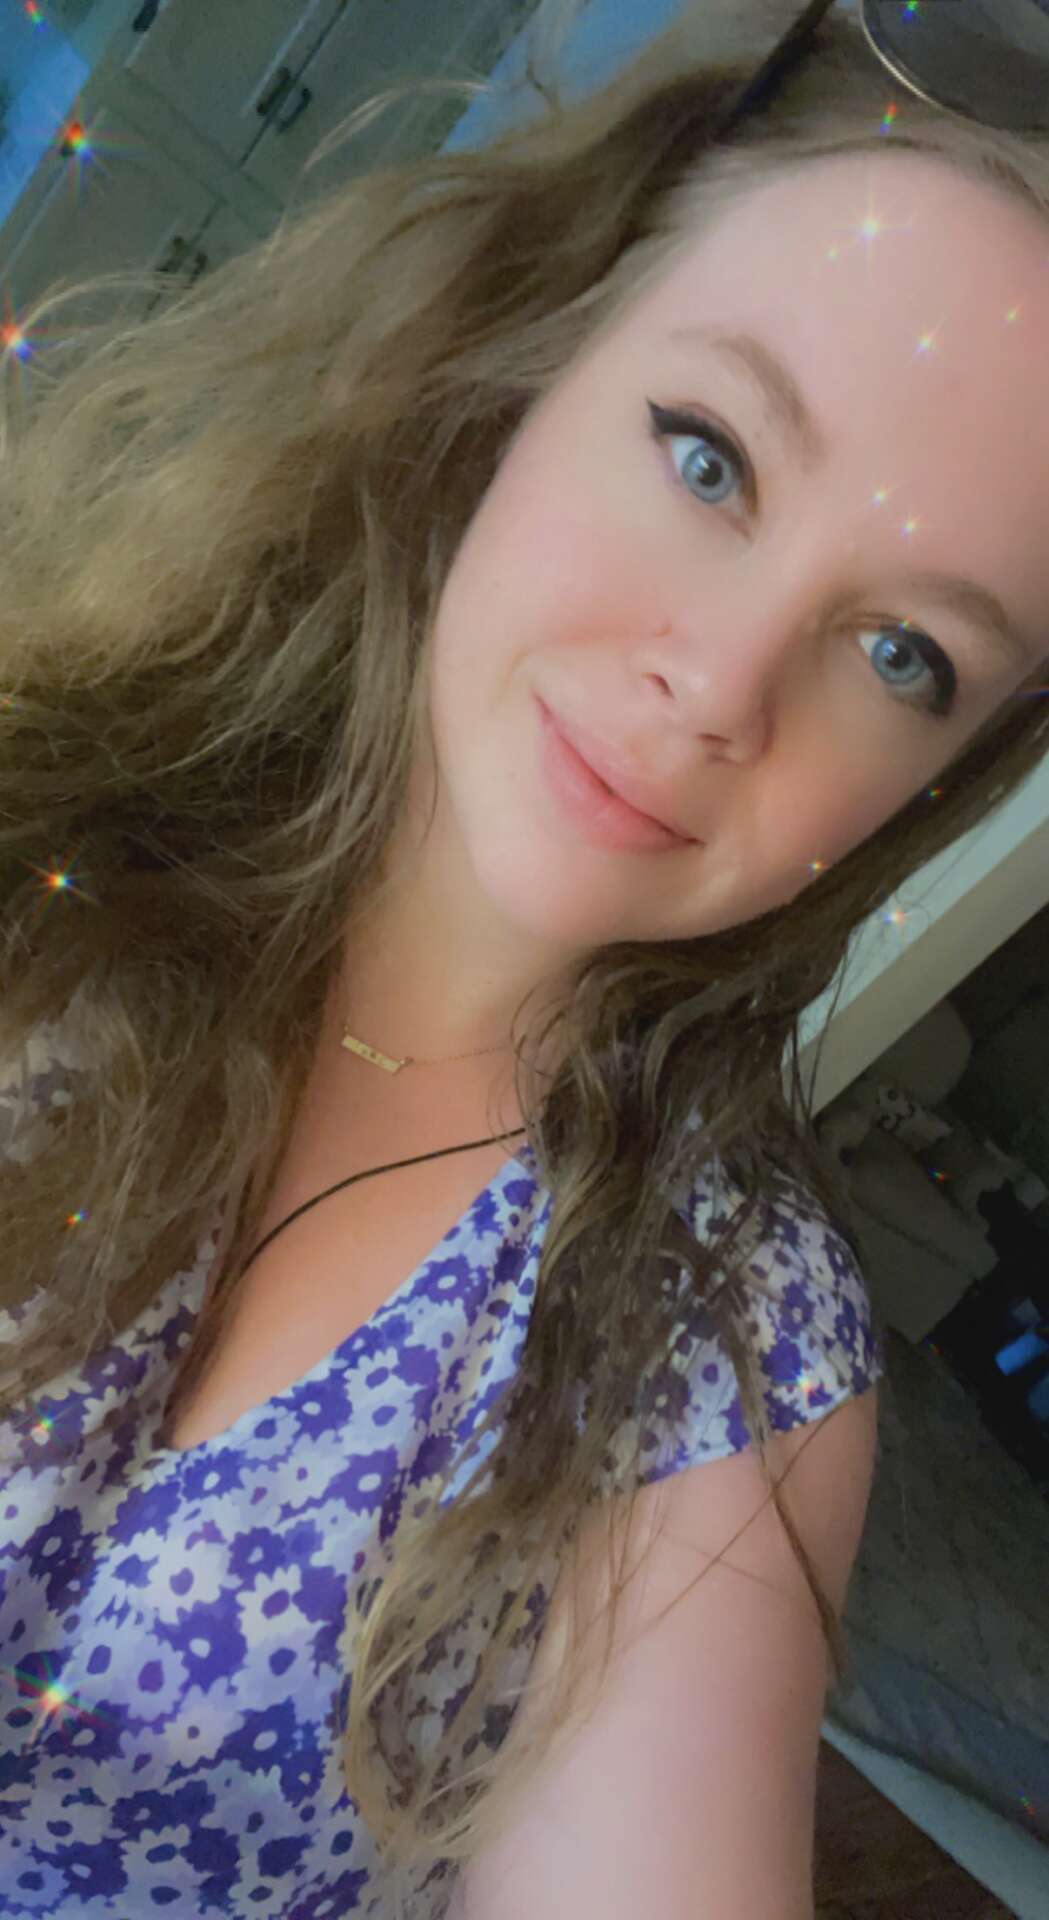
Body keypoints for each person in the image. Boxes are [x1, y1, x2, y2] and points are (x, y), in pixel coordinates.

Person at [1, 2, 1048, 1914]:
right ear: (531, 354)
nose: (717, 686)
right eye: (708, 458)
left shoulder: (717, 1352)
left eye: (906, 655)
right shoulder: (36, 820)